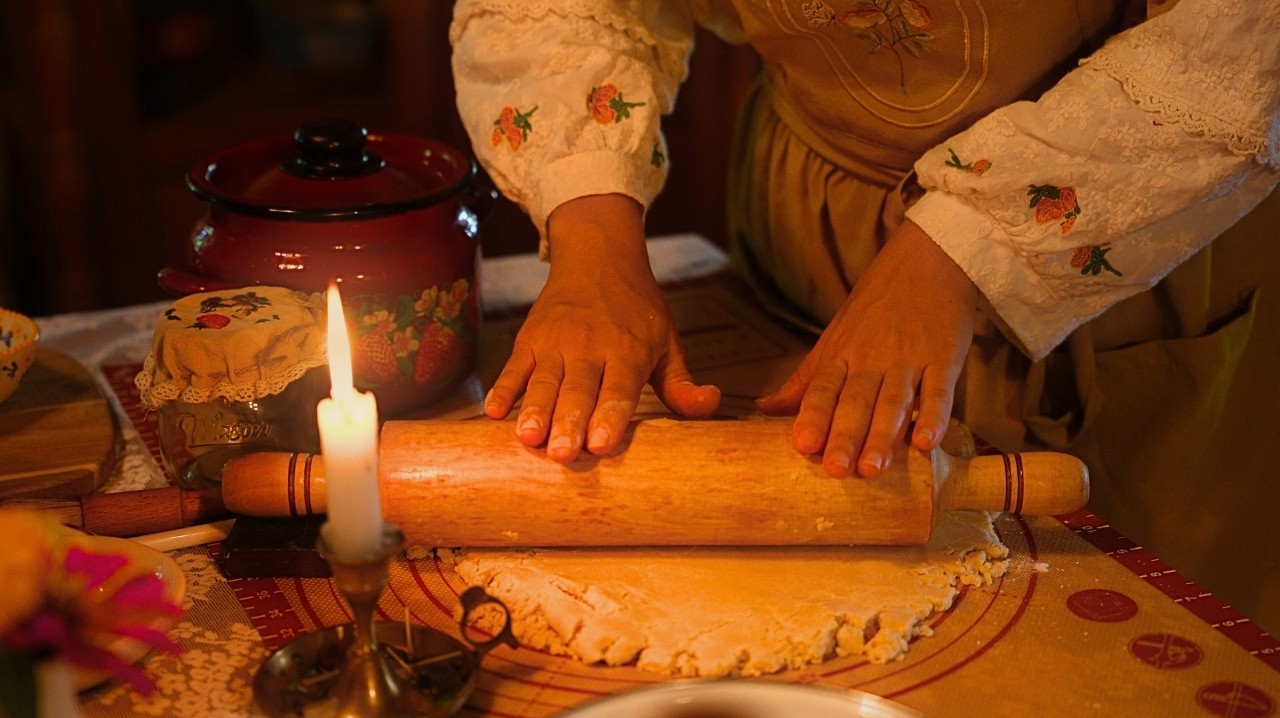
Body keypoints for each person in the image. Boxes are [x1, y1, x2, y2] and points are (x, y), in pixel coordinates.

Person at [450, 0, 1280, 631]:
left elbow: (1243, 35)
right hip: (819, 222)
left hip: (1129, 223)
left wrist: (962, 247)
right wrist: (592, 236)